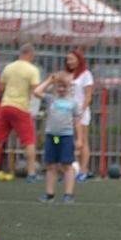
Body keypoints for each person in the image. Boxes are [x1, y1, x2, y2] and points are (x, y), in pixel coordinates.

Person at [0, 43, 41, 182]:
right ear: (31, 55)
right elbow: (36, 90)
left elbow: (1, 88)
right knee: (29, 141)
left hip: (6, 106)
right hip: (21, 107)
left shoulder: (8, 68)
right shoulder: (32, 70)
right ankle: (31, 174)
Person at [33, 71, 82, 203]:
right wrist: (49, 81)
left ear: (69, 86)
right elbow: (36, 92)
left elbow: (77, 122)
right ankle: (49, 194)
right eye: (59, 86)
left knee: (67, 166)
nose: (61, 89)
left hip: (66, 137)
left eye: (64, 86)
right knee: (51, 165)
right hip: (53, 137)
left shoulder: (73, 103)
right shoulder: (51, 99)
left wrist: (79, 139)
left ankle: (68, 194)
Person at [64, 49, 95, 181]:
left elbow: (88, 96)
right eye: (67, 59)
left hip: (80, 112)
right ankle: (69, 171)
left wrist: (81, 111)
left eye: (71, 59)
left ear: (78, 59)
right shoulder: (67, 75)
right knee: (65, 141)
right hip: (66, 112)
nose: (69, 62)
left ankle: (83, 170)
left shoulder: (86, 74)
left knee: (82, 141)